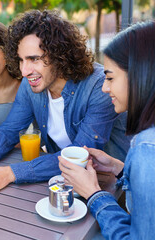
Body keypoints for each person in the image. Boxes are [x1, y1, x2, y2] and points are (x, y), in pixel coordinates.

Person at [0, 10, 130, 198]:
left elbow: (78, 155)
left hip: (116, 189)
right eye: (20, 60)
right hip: (62, 184)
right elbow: (9, 130)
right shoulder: (32, 85)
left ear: (60, 54)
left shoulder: (99, 86)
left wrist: (10, 173)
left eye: (34, 59)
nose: (24, 70)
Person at [59, 21, 155, 239]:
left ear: (142, 76)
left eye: (110, 78)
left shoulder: (147, 146)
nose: (105, 87)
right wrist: (118, 168)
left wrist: (94, 194)